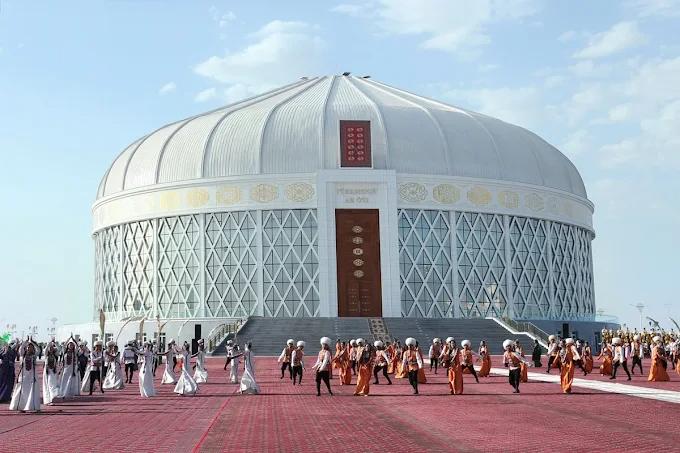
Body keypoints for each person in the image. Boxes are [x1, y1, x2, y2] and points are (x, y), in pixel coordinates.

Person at [9, 337, 41, 412]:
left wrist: (32, 342)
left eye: (31, 347)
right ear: (26, 348)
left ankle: (32, 407)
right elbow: (21, 348)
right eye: (28, 347)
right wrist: (26, 341)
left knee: (31, 391)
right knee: (22, 391)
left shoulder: (34, 356)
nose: (29, 348)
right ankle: (21, 407)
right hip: (23, 376)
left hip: (32, 376)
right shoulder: (22, 355)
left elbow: (38, 350)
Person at [42, 341, 60, 405]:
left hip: (53, 371)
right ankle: (48, 400)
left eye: (52, 347)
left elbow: (59, 349)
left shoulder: (55, 355)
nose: (51, 348)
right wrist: (49, 343)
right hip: (47, 372)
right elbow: (46, 349)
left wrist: (55, 343)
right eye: (50, 347)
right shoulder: (46, 355)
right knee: (48, 385)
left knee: (53, 384)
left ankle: (52, 398)